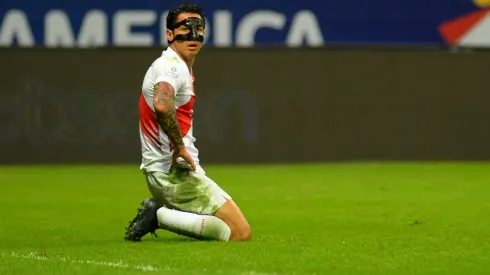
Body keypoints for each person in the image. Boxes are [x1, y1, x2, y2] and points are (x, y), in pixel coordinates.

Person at [124, 2, 251, 242]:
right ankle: (157, 215)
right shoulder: (171, 66)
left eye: (198, 28)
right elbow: (162, 104)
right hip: (173, 173)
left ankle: (161, 214)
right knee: (240, 233)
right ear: (169, 35)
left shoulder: (175, 65)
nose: (193, 34)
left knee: (223, 230)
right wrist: (179, 147)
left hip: (164, 172)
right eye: (185, 28)